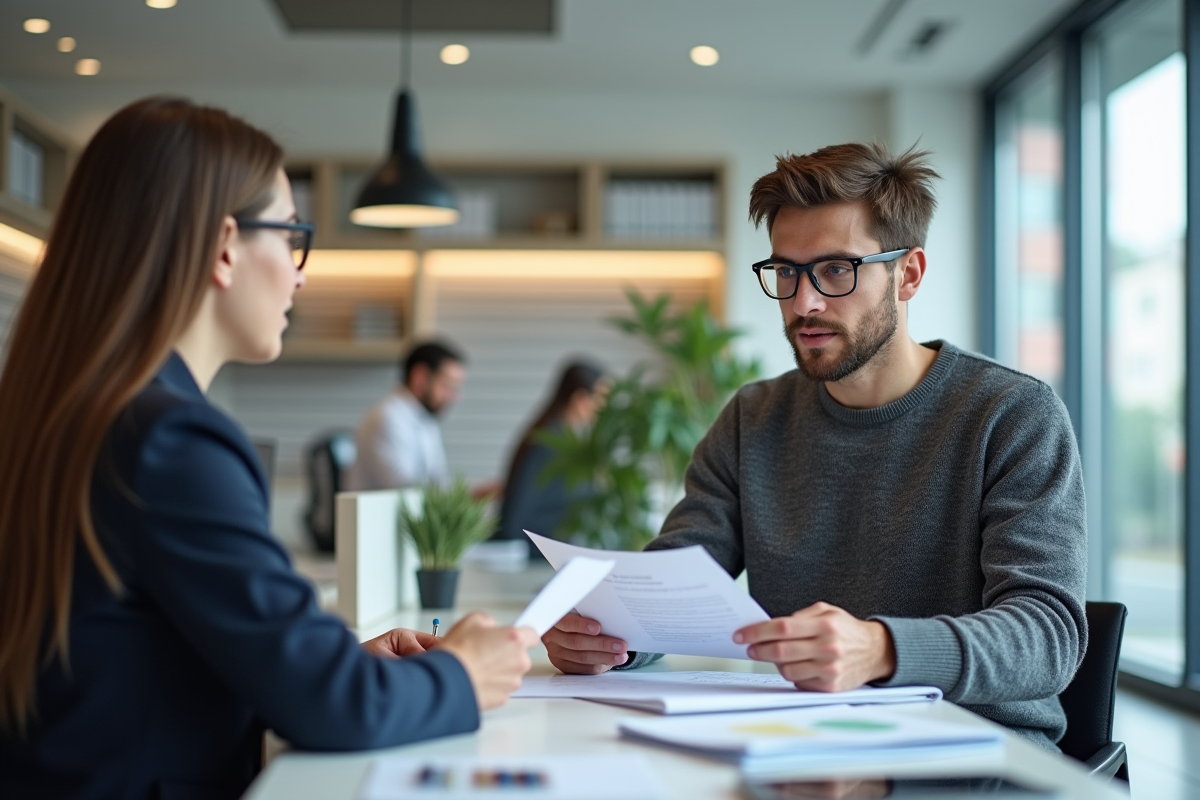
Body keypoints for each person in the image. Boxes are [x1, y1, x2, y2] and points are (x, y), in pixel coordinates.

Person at [0, 98, 537, 800]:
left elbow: (136, 657)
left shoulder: (75, 410)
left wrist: (333, 661)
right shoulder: (171, 437)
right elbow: (337, 711)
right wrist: (462, 673)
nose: (300, 273)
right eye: (290, 236)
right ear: (224, 247)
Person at [542, 142, 1087, 751]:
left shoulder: (1011, 414)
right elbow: (677, 580)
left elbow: (1048, 635)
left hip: (972, 752)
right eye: (786, 272)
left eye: (835, 270)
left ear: (907, 274)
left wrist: (880, 649)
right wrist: (611, 637)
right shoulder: (754, 417)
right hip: (802, 743)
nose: (804, 303)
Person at [494, 360, 606, 553]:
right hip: (533, 558)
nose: (605, 407)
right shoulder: (549, 444)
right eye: (601, 399)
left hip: (548, 554)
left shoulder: (566, 440)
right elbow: (518, 515)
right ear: (580, 399)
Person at [345, 340, 465, 492]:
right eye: (447, 385)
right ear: (420, 377)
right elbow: (404, 491)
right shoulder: (387, 418)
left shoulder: (426, 418)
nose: (453, 397)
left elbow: (438, 481)